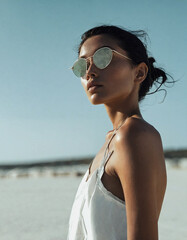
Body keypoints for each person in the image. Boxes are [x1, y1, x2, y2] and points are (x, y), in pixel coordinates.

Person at [67, 25, 174, 240]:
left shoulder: (134, 135)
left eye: (103, 57)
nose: (89, 72)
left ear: (140, 72)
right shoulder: (111, 142)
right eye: (82, 65)